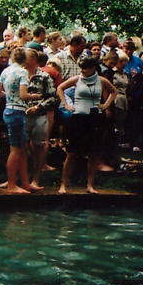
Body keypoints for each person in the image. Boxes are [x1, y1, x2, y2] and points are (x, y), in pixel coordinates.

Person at [57, 56, 118, 194]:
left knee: (94, 153)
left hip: (95, 117)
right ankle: (63, 185)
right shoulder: (77, 79)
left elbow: (114, 91)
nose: (83, 70)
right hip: (78, 116)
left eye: (85, 68)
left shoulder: (101, 80)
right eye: (81, 68)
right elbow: (60, 87)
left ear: (93, 68)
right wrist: (66, 104)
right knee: (72, 153)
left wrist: (106, 104)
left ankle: (90, 185)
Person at [0, 48, 43, 194]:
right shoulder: (22, 72)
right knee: (16, 150)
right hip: (17, 112)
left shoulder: (6, 71)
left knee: (22, 148)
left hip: (8, 110)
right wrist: (36, 96)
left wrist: (9, 95)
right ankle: (12, 185)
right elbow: (24, 95)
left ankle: (25, 183)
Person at [22, 49, 57, 188]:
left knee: (39, 146)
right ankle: (20, 178)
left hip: (39, 115)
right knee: (20, 147)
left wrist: (37, 107)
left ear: (33, 60)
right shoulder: (20, 74)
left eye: (26, 58)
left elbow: (52, 97)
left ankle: (36, 178)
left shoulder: (44, 76)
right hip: (22, 114)